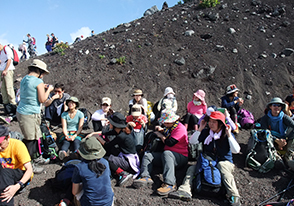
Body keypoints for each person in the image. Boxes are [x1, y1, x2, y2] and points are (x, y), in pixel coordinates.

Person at [168, 111, 241, 206]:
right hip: (208, 161)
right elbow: (192, 142)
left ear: (221, 123)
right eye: (210, 121)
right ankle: (184, 191)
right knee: (191, 168)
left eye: (214, 122)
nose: (211, 124)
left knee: (222, 166)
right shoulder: (206, 133)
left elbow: (236, 150)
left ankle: (234, 196)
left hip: (224, 161)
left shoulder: (225, 134)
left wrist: (229, 135)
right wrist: (200, 129)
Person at [133, 109, 188, 196]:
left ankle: (170, 183)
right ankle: (146, 176)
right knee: (148, 156)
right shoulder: (169, 128)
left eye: (166, 122)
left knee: (167, 153)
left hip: (180, 156)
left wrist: (160, 135)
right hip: (167, 156)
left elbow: (169, 143)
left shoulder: (180, 129)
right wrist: (162, 130)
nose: (164, 124)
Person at [16, 59, 53, 173]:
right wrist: (49, 90)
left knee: (35, 136)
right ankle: (30, 165)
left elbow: (30, 91)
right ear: (40, 71)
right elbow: (42, 99)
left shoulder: (24, 79)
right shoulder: (38, 82)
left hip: (22, 111)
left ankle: (37, 157)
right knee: (30, 140)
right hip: (30, 114)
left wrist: (42, 87)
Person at [94, 112, 140, 187]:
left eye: (111, 122)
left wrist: (98, 137)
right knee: (111, 150)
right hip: (128, 156)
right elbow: (108, 132)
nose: (109, 123)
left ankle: (122, 173)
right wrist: (95, 133)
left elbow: (107, 145)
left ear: (115, 125)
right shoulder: (123, 130)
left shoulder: (122, 136)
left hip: (129, 162)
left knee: (106, 159)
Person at [71, 136, 114, 206]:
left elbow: (74, 192)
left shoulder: (80, 167)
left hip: (90, 203)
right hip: (108, 202)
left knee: (76, 193)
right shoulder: (105, 162)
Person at [0, 125, 33, 206]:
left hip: (20, 177)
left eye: (0, 144)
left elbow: (29, 170)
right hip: (4, 175)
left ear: (8, 138)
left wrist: (17, 186)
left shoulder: (17, 145)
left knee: (5, 172)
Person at [259, 97, 294, 170]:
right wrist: (277, 140)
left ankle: (288, 157)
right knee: (265, 136)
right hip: (271, 140)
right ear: (270, 107)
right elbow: (264, 132)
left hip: (283, 139)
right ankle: (277, 159)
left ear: (281, 107)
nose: (276, 107)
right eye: (274, 105)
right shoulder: (265, 119)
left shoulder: (284, 117)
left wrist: (284, 141)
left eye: (279, 106)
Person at [0, 43, 17, 117]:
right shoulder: (1, 52)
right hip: (1, 70)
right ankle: (7, 109)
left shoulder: (6, 49)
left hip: (8, 70)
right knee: (3, 89)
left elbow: (9, 60)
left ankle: (13, 108)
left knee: (9, 88)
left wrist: (5, 70)